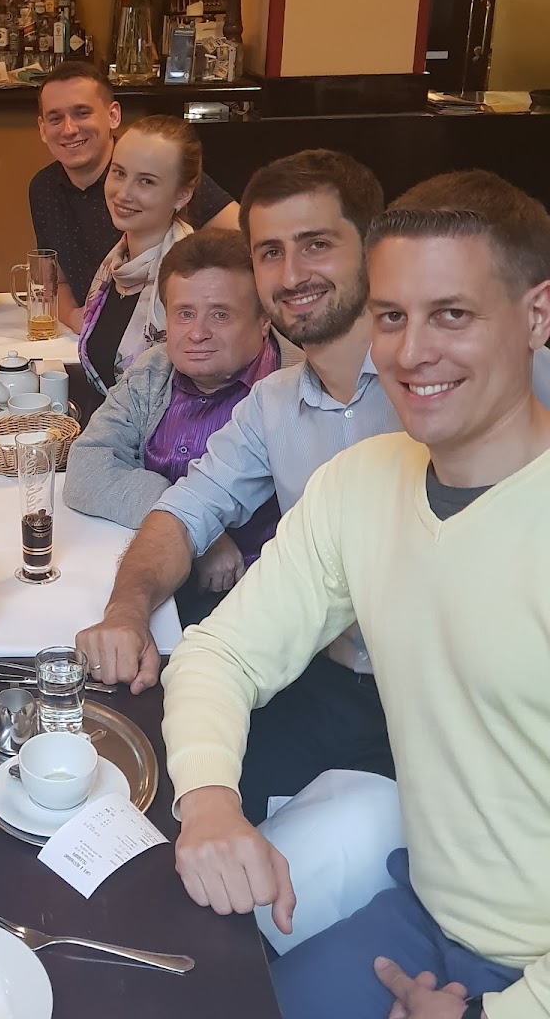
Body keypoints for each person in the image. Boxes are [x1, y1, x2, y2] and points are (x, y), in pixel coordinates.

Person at [161, 203, 550, 1019]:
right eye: (392, 317)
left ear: (536, 316)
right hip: (423, 914)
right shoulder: (365, 482)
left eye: (452, 315)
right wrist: (209, 800)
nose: (412, 352)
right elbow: (222, 652)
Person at [77, 153, 550, 822]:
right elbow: (185, 514)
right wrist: (127, 609)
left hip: (464, 712)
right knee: (151, 789)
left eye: (317, 244)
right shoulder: (276, 407)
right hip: (326, 678)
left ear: (373, 251)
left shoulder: (478, 372)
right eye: (270, 252)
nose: (293, 274)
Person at [65, 227, 296, 614]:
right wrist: (194, 530)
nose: (197, 333)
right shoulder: (153, 372)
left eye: (220, 315)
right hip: (151, 579)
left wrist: (190, 527)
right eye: (184, 314)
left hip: (260, 603)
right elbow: (87, 467)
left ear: (264, 321)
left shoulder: (296, 390)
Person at [28, 60, 239, 333]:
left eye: (82, 113)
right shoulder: (43, 187)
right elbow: (54, 279)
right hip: (90, 333)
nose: (69, 129)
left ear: (113, 115)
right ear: (43, 128)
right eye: (55, 118)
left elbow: (245, 238)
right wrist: (76, 318)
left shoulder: (158, 167)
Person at [77, 115, 199, 394]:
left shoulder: (192, 279)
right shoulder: (114, 265)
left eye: (146, 181)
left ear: (182, 195)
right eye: (119, 173)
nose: (123, 193)